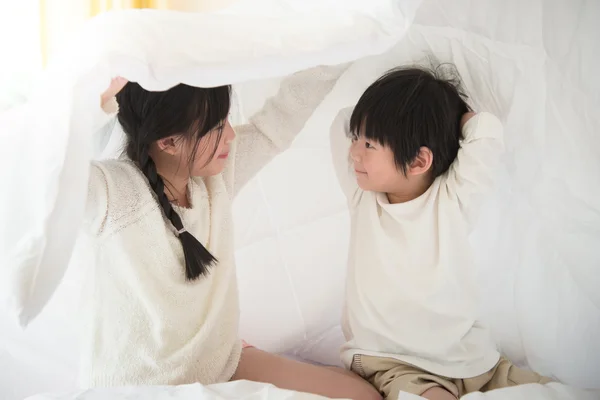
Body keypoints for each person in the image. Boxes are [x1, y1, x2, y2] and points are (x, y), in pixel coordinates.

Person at [74, 66, 380, 400]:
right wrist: (96, 104)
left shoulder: (213, 179)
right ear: (168, 142)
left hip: (218, 364)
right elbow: (45, 171)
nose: (231, 135)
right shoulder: (112, 193)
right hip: (141, 388)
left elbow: (276, 123)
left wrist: (335, 47)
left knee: (364, 396)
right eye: (217, 128)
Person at [329, 65, 552, 399]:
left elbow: (486, 133)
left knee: (549, 391)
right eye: (356, 139)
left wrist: (453, 118)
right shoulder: (362, 196)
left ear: (420, 161)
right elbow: (340, 122)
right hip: (393, 362)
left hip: (471, 360)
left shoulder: (452, 199)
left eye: (369, 144)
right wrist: (379, 119)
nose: (353, 152)